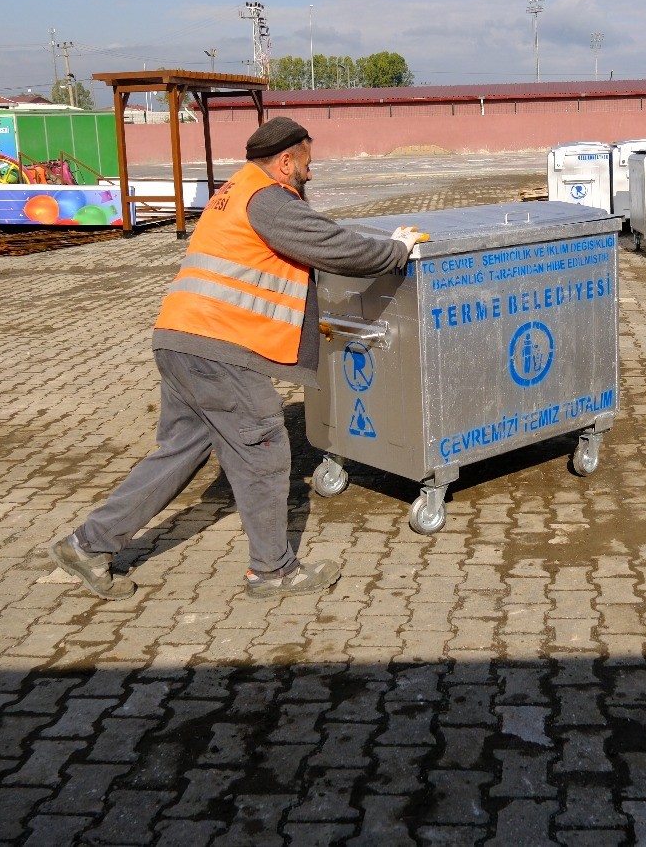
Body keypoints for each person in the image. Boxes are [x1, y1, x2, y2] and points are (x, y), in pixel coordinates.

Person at [49, 116, 426, 600]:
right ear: (286, 161)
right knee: (264, 450)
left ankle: (88, 544)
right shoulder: (268, 199)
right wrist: (395, 251)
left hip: (180, 338)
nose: (312, 172)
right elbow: (330, 244)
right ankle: (273, 571)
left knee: (178, 453)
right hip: (219, 348)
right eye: (308, 161)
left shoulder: (234, 190)